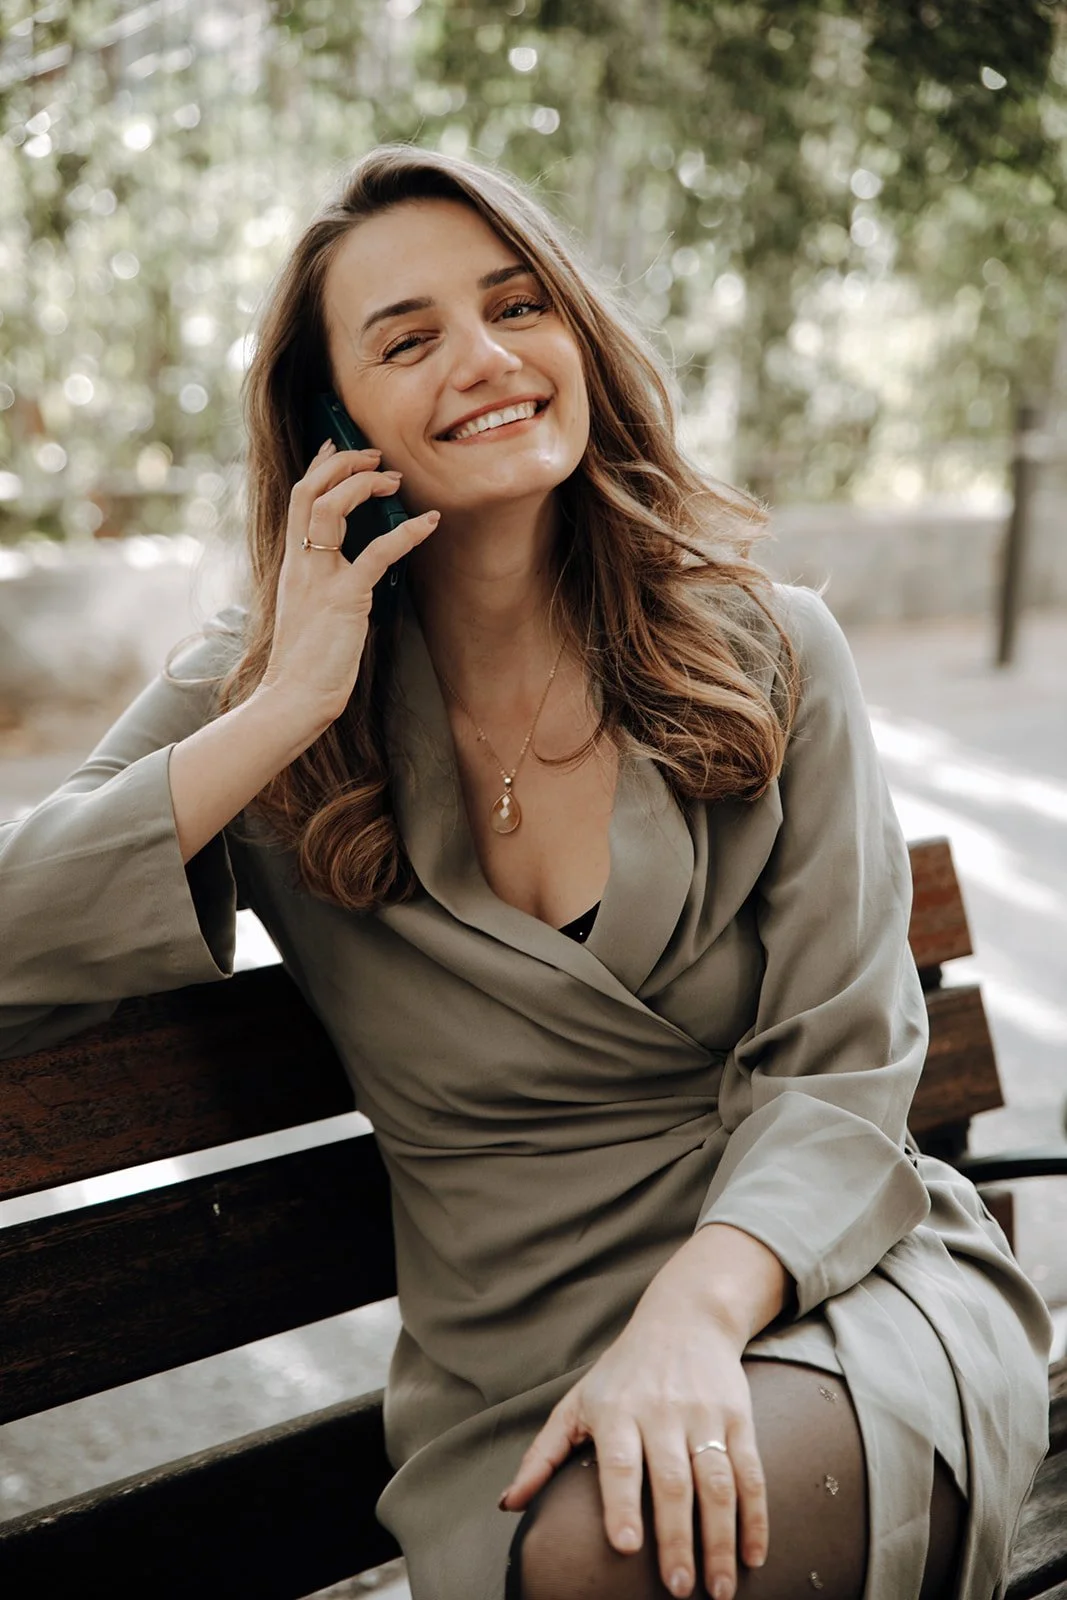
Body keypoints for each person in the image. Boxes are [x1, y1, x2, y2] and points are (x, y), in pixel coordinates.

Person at [0, 144, 1051, 1600]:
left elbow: (840, 1067)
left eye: (516, 306)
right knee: (610, 1540)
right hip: (514, 1355)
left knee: (642, 1542)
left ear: (574, 334)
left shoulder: (770, 647)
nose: (486, 359)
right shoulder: (264, 695)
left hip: (817, 1278)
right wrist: (283, 710)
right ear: (331, 418)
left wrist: (693, 1317)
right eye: (409, 337)